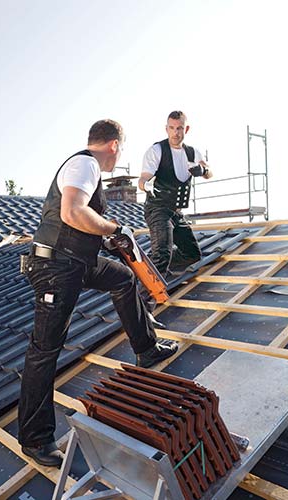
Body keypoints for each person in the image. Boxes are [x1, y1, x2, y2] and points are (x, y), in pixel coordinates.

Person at [18, 119, 178, 467]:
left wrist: (105, 239)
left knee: (121, 278)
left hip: (77, 261)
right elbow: (73, 212)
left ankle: (146, 349)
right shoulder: (85, 163)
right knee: (44, 351)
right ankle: (34, 439)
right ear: (114, 146)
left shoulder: (86, 167)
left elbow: (79, 221)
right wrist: (115, 227)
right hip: (56, 269)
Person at [138, 110, 212, 281]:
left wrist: (203, 170)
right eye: (172, 128)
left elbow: (209, 172)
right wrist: (146, 185)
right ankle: (149, 294)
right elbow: (143, 178)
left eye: (179, 128)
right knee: (163, 252)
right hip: (157, 209)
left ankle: (152, 265)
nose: (175, 133)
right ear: (166, 129)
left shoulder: (193, 153)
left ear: (186, 129)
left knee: (192, 255)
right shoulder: (157, 150)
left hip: (176, 212)